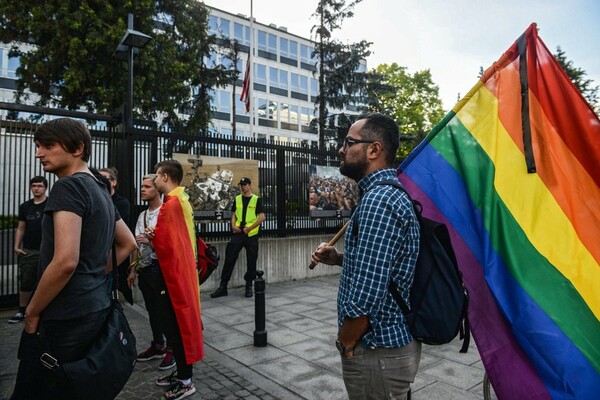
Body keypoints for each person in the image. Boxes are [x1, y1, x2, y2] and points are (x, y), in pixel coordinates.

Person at [11, 118, 137, 400]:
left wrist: (31, 311)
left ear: (77, 148)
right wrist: (92, 275)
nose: (38, 153)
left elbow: (66, 261)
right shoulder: (100, 188)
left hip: (65, 314)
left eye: (48, 145)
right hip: (95, 307)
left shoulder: (68, 187)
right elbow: (128, 243)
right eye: (37, 146)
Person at [310, 113, 421, 400]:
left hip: (376, 349)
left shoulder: (378, 201)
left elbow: (368, 291)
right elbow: (381, 265)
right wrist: (338, 258)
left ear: (374, 150)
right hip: (384, 349)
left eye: (349, 142)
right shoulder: (383, 196)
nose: (341, 149)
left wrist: (346, 342)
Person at [147, 160, 202, 400]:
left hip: (174, 277)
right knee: (176, 327)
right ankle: (181, 373)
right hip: (181, 274)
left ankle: (185, 380)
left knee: (176, 328)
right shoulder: (181, 200)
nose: (154, 181)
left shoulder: (172, 204)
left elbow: (167, 244)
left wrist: (152, 237)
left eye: (156, 177)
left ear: (166, 177)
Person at [126, 174, 175, 370]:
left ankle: (172, 349)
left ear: (157, 189)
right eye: (142, 186)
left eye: (147, 186)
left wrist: (151, 241)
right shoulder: (143, 215)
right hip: (145, 269)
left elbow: (172, 245)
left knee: (165, 311)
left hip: (161, 269)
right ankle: (158, 344)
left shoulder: (166, 212)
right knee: (152, 310)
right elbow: (135, 245)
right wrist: (133, 270)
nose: (142, 190)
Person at [210, 177, 266, 298]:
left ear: (250, 185)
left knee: (251, 262)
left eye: (245, 184)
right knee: (230, 258)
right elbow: (234, 214)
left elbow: (261, 217)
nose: (243, 186)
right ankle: (223, 287)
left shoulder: (256, 199)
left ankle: (248, 287)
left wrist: (249, 228)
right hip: (238, 233)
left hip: (251, 234)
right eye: (241, 184)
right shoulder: (238, 199)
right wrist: (233, 226)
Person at [10, 176, 49, 324]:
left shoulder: (51, 204)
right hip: (29, 250)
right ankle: (21, 310)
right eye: (34, 186)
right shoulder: (25, 206)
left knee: (47, 280)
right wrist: (16, 246)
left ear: (45, 187)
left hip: (48, 249)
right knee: (26, 281)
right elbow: (21, 228)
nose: (37, 188)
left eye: (40, 186)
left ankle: (44, 309)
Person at [99, 167, 133, 303]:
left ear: (114, 182)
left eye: (104, 179)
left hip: (115, 255)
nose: (99, 182)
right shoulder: (96, 199)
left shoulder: (122, 203)